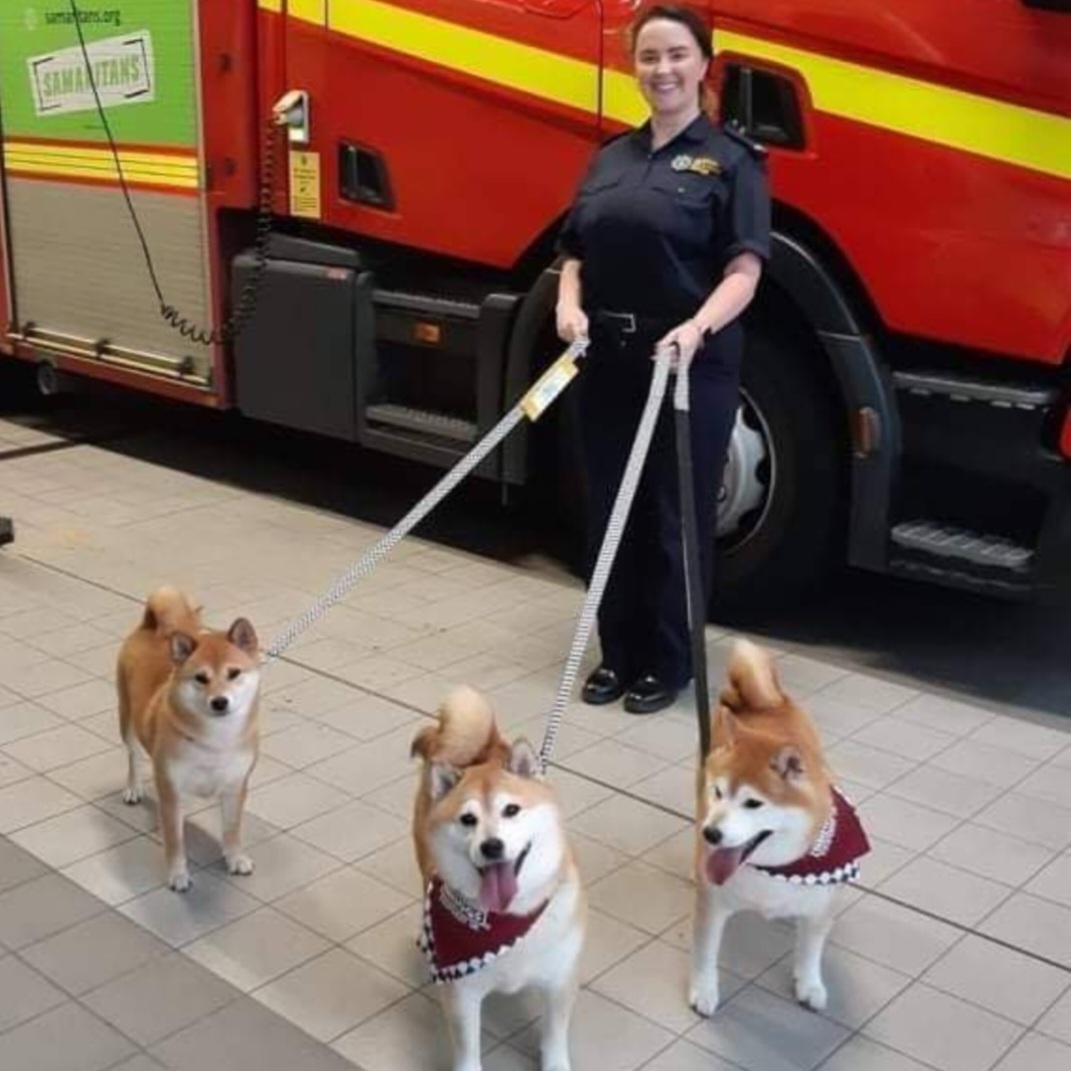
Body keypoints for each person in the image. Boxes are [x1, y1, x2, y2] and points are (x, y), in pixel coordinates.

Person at [555, 3, 770, 715]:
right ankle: (617, 653)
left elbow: (744, 269)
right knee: (610, 510)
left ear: (703, 62)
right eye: (648, 56)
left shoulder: (732, 162)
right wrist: (568, 303)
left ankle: (668, 662)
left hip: (686, 365)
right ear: (633, 67)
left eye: (676, 54)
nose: (662, 70)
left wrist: (696, 328)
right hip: (609, 360)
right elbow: (574, 252)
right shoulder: (609, 156)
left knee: (675, 516)